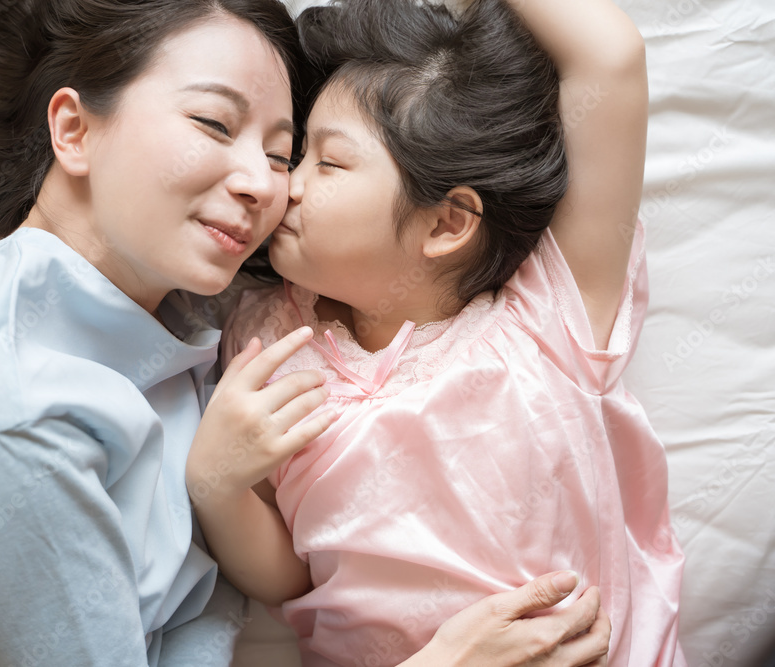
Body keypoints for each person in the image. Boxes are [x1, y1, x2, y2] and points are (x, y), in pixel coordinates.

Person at [0, 0, 608, 664]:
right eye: (215, 123)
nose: (263, 185)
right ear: (73, 129)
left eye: (284, 155)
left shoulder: (180, 305)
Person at [187, 0, 681, 665]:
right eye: (296, 155)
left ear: (447, 224)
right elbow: (293, 577)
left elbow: (610, 59)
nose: (286, 185)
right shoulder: (267, 341)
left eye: (327, 164)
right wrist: (217, 486)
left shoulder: (547, 319)